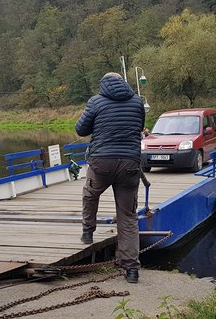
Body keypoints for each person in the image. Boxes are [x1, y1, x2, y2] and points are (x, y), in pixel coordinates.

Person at [75, 72, 145, 284]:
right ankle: (131, 269)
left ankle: (88, 231)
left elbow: (81, 129)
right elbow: (139, 127)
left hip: (102, 163)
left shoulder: (96, 101)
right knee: (128, 216)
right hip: (130, 165)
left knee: (90, 193)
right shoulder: (137, 102)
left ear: (103, 84)